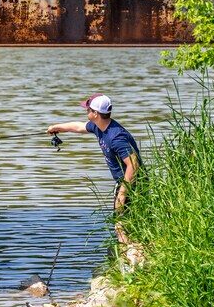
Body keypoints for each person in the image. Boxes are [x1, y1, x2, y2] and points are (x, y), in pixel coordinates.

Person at [47, 94, 143, 265]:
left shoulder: (116, 137)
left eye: (88, 109)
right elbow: (78, 127)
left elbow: (133, 165)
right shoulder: (100, 127)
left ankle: (130, 262)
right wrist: (57, 127)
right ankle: (128, 258)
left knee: (121, 223)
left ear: (96, 113)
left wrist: (122, 193)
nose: (86, 111)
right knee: (121, 223)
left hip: (133, 183)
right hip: (123, 182)